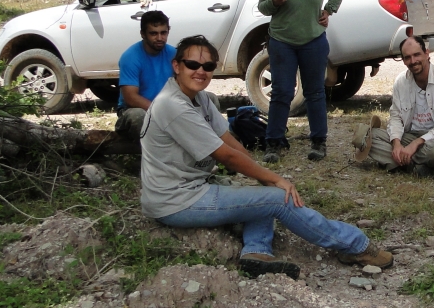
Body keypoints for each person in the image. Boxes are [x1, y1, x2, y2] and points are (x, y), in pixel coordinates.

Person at [140, 34, 392, 278]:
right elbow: (226, 156)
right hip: (176, 201)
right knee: (278, 199)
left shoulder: (202, 99)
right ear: (177, 66)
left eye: (207, 66)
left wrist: (264, 178)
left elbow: (232, 143)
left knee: (262, 196)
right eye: (192, 64)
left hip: (191, 189)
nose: (200, 71)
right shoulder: (172, 105)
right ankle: (355, 246)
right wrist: (275, 180)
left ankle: (257, 252)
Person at [258, 0, 345, 163]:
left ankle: (318, 141)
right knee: (281, 92)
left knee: (315, 92)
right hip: (282, 42)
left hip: (313, 41)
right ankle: (273, 143)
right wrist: (274, 2)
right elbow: (263, 7)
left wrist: (329, 10)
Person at [354, 35, 434, 176]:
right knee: (368, 136)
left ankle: (403, 163)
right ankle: (418, 166)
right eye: (407, 57)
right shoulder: (401, 81)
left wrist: (416, 144)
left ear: (426, 53)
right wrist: (396, 144)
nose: (413, 61)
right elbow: (395, 117)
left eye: (417, 55)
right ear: (403, 60)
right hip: (411, 136)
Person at [115, 11, 176, 139]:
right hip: (134, 110)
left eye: (163, 33)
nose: (159, 38)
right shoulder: (130, 57)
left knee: (208, 98)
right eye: (153, 33)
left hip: (167, 108)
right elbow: (130, 98)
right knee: (138, 116)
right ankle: (151, 156)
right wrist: (162, 112)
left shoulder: (174, 54)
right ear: (143, 34)